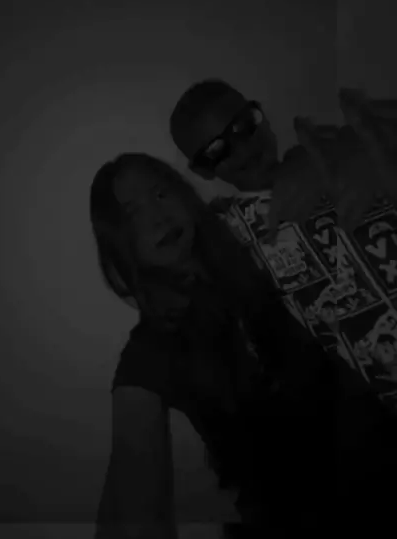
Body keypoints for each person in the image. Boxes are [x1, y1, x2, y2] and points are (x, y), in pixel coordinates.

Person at [77, 152, 397, 539]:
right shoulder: (153, 348)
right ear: (118, 240)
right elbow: (132, 507)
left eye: (161, 194)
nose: (158, 216)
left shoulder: (262, 248)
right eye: (133, 213)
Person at [170, 79, 397, 416]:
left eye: (244, 125)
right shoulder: (230, 236)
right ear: (202, 170)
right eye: (217, 150)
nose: (243, 147)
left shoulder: (335, 154)